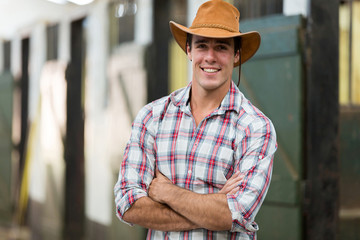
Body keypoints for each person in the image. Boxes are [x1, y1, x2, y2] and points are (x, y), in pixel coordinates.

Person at [114, 0, 277, 239]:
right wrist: (216, 206)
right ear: (189, 51)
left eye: (221, 47)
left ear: (236, 55)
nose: (210, 57)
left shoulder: (255, 128)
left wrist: (167, 192)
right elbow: (127, 204)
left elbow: (237, 213)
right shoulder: (152, 117)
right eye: (202, 46)